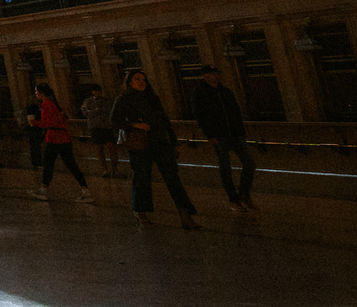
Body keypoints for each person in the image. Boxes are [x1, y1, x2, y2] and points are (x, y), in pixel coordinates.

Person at [111, 70, 200, 228]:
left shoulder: (152, 98)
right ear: (129, 82)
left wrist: (174, 142)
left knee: (173, 178)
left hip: (160, 141)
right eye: (137, 79)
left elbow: (165, 120)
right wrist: (134, 125)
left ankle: (184, 213)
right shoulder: (123, 99)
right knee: (142, 178)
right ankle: (140, 211)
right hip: (140, 144)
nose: (141, 82)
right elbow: (114, 120)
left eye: (143, 79)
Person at [190, 65, 260, 214]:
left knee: (249, 163)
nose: (216, 77)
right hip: (219, 135)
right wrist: (210, 135)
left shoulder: (225, 92)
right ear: (205, 76)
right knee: (225, 167)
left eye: (216, 74)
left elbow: (235, 111)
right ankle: (233, 199)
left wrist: (241, 131)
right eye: (212, 74)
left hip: (235, 133)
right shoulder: (200, 94)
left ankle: (244, 193)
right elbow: (200, 116)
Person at [27, 82, 92, 202]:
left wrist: (35, 123)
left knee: (48, 165)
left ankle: (43, 190)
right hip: (64, 138)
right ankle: (86, 191)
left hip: (54, 138)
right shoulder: (53, 103)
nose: (35, 94)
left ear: (41, 93)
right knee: (71, 165)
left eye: (36, 92)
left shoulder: (46, 104)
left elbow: (51, 122)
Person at [79, 83, 118, 176]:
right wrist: (95, 111)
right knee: (99, 149)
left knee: (112, 148)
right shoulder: (88, 101)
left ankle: (114, 169)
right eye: (95, 92)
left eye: (98, 92)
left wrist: (105, 110)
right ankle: (104, 169)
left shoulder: (107, 100)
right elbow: (85, 112)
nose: (97, 93)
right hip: (95, 127)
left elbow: (113, 111)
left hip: (107, 126)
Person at [22, 91, 45, 170]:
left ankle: (35, 162)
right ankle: (37, 162)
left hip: (32, 129)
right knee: (36, 146)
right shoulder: (33, 107)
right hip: (35, 129)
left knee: (34, 146)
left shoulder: (28, 107)